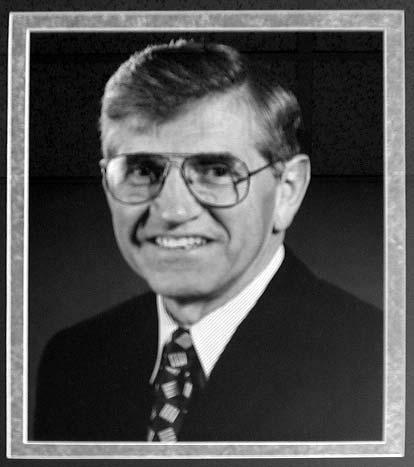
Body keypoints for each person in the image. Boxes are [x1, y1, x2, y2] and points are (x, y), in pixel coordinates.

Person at [34, 40, 382, 442]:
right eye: (142, 170)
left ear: (287, 190)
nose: (172, 210)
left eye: (216, 170)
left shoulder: (375, 358)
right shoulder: (72, 359)